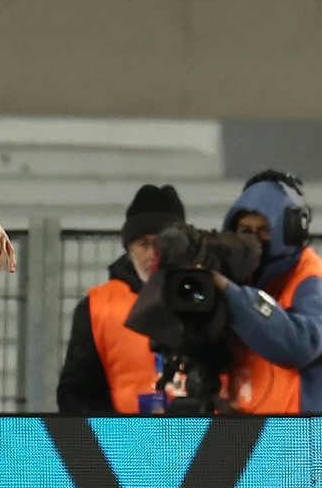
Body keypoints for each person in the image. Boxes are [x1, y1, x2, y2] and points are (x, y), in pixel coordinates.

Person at [58, 185, 186, 414]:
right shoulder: (97, 308)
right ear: (129, 249)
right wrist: (113, 434)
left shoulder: (206, 297)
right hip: (124, 441)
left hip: (202, 435)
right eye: (144, 244)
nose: (153, 254)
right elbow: (77, 391)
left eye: (162, 243)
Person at [216, 170, 322, 412]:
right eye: (244, 230)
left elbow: (298, 344)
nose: (253, 240)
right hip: (232, 431)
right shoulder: (234, 274)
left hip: (294, 438)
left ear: (290, 231)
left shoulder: (311, 278)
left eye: (264, 229)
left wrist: (231, 294)